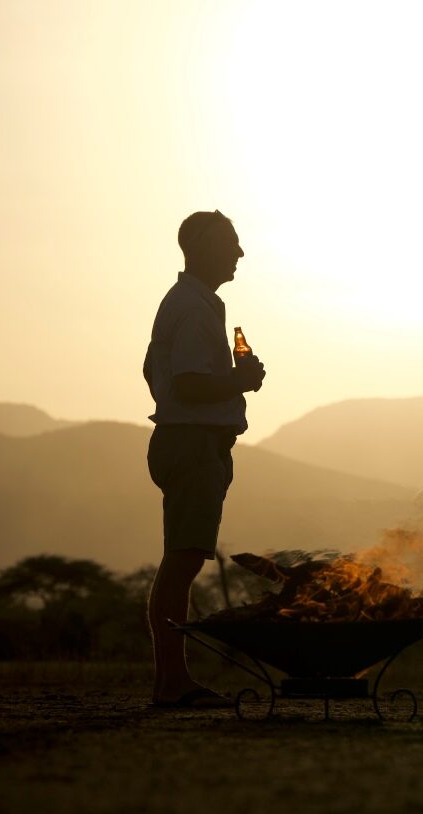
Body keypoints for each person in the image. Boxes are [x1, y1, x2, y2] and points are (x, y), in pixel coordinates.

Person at [142, 210, 266, 708]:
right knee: (182, 562)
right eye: (230, 243)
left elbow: (165, 374)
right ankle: (173, 683)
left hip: (193, 443)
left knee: (184, 559)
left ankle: (171, 680)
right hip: (192, 444)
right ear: (199, 247)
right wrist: (239, 380)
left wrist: (236, 379)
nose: (239, 253)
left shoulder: (196, 305)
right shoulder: (193, 308)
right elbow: (189, 385)